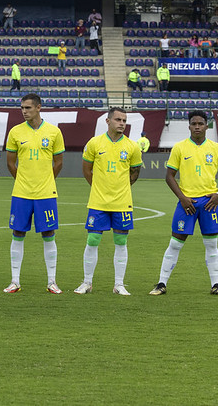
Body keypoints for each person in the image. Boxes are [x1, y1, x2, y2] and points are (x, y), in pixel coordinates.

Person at [150, 110, 218, 296]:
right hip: (187, 203)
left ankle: (216, 285)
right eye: (194, 124)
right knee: (176, 243)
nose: (197, 127)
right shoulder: (179, 148)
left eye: (200, 123)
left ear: (206, 125)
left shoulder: (216, 148)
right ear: (189, 126)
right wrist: (182, 197)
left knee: (211, 244)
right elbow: (169, 176)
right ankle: (161, 284)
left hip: (210, 203)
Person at [75, 108, 142, 296]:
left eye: (124, 120)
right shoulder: (94, 143)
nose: (122, 123)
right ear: (108, 121)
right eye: (118, 119)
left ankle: (119, 284)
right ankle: (87, 282)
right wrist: (99, 187)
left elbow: (135, 172)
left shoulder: (132, 146)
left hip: (122, 202)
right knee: (93, 239)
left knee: (121, 241)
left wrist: (121, 188)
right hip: (98, 202)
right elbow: (87, 170)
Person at [3, 93, 65, 294]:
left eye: (28, 108)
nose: (24, 111)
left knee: (48, 233)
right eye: (22, 108)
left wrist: (46, 180)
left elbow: (59, 162)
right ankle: (15, 281)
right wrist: (22, 180)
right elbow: (11, 163)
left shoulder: (54, 132)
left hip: (46, 194)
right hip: (21, 193)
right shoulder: (15, 132)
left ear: (38, 108)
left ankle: (52, 281)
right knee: (18, 233)